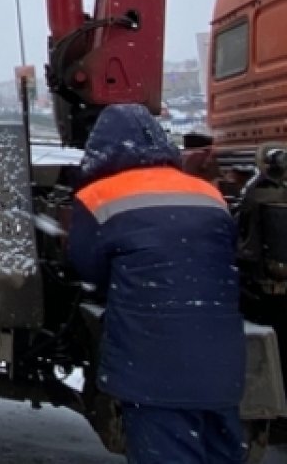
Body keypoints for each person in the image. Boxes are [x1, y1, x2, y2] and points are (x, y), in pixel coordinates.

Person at [68, 103, 245, 464]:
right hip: (221, 369)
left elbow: (86, 267)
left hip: (153, 370)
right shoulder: (208, 194)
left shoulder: (98, 197)